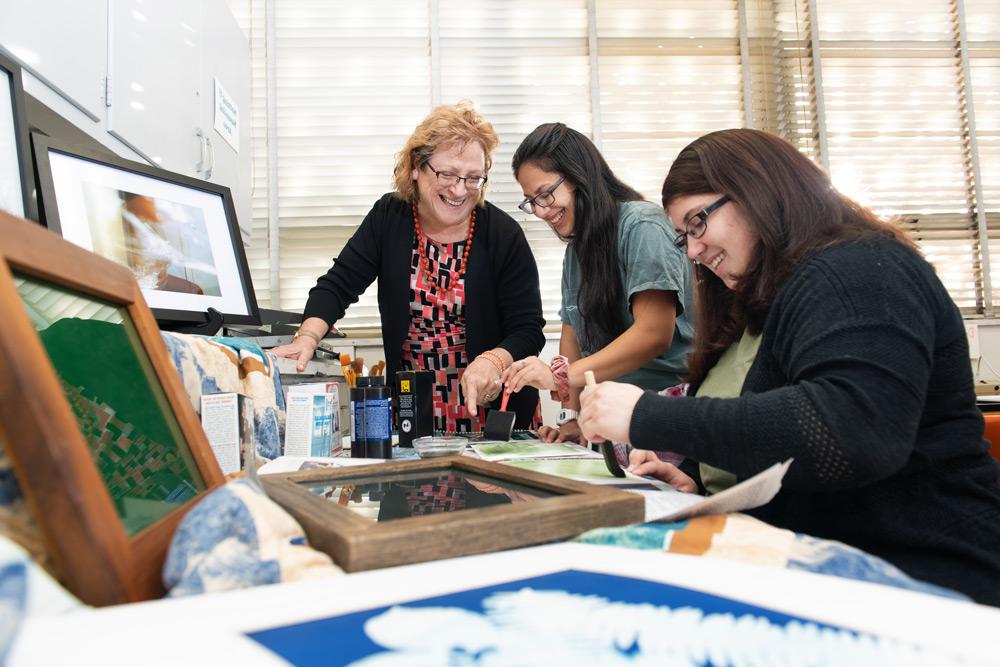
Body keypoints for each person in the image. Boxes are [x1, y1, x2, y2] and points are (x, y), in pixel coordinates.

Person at [577, 128, 1000, 605]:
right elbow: (764, 421)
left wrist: (646, 415)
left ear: (758, 190)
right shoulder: (755, 301)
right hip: (825, 560)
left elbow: (850, 433)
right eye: (684, 236)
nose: (693, 250)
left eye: (698, 223)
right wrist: (697, 476)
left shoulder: (858, 269)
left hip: (924, 571)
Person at [272, 102, 545, 433]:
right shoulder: (390, 217)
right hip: (414, 407)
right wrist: (307, 337)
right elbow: (338, 285)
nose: (460, 190)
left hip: (491, 407)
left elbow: (528, 329)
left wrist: (494, 359)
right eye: (447, 174)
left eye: (473, 178)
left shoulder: (502, 234)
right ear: (417, 166)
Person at [501, 123, 694, 445]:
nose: (540, 211)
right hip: (608, 418)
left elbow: (654, 334)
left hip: (662, 410)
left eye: (545, 194)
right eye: (530, 201)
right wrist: (572, 418)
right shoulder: (575, 253)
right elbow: (572, 340)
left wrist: (559, 376)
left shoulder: (642, 226)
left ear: (580, 176)